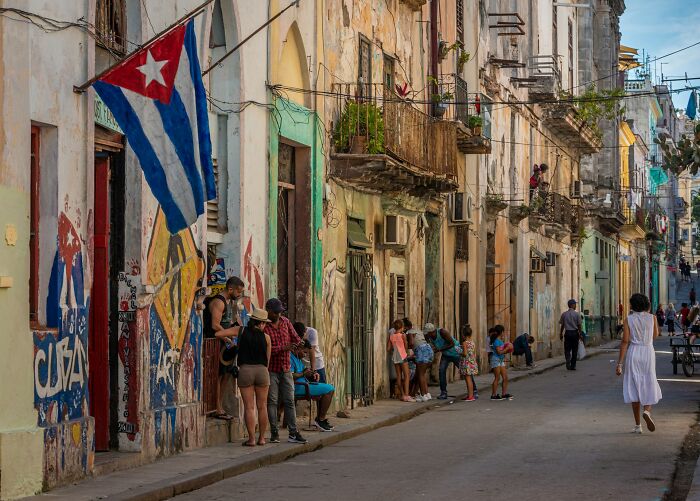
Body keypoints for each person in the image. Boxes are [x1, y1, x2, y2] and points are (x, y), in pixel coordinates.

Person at [616, 293, 662, 434]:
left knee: (634, 386)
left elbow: (625, 341)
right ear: (646, 304)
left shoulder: (628, 319)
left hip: (634, 352)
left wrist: (619, 364)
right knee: (649, 381)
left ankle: (638, 426)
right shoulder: (652, 318)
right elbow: (655, 336)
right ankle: (647, 411)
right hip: (648, 352)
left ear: (632, 305)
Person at [264, 298, 307, 444]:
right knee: (272, 401)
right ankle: (274, 432)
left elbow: (295, 337)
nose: (278, 315)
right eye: (276, 312)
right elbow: (265, 349)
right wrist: (283, 348)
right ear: (269, 311)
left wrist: (299, 343)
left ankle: (293, 432)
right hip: (271, 369)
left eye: (279, 312)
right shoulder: (264, 326)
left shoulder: (285, 322)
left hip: (286, 368)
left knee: (289, 400)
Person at [203, 276, 245, 420]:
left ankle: (219, 406)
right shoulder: (218, 302)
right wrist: (228, 338)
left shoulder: (227, 302)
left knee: (225, 376)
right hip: (216, 345)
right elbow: (215, 326)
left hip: (224, 346)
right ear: (230, 288)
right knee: (218, 376)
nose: (239, 295)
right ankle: (217, 408)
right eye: (238, 292)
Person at [237, 307, 272, 446]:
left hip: (245, 371)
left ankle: (251, 439)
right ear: (262, 323)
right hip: (262, 371)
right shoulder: (267, 338)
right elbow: (267, 361)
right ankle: (262, 438)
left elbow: (219, 333)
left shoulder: (241, 331)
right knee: (262, 406)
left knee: (249, 407)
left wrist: (229, 340)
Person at [290, 341, 335, 432]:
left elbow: (304, 371)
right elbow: (290, 376)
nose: (305, 355)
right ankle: (320, 420)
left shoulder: (298, 358)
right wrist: (303, 374)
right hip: (298, 387)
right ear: (298, 348)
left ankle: (320, 419)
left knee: (329, 388)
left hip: (305, 384)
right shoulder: (290, 358)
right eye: (304, 352)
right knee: (329, 389)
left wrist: (312, 374)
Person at [425, 323, 462, 400]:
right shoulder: (429, 337)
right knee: (441, 371)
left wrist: (439, 349)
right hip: (445, 355)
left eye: (428, 333)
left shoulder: (442, 332)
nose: (428, 335)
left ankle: (473, 390)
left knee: (464, 370)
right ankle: (443, 393)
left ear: (432, 331)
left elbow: (451, 343)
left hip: (455, 353)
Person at [405, 318, 434, 401]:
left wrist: (405, 346)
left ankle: (423, 395)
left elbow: (411, 343)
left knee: (420, 374)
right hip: (428, 349)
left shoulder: (409, 332)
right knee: (421, 374)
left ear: (406, 327)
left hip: (421, 351)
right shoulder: (417, 329)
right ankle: (427, 394)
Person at [387, 319, 414, 402]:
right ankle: (406, 395)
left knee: (398, 376)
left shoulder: (391, 336)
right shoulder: (403, 335)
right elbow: (406, 345)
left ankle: (402, 395)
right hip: (402, 356)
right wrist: (406, 353)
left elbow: (388, 349)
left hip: (395, 357)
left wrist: (394, 350)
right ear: (402, 327)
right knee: (407, 375)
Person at [489, 328, 512, 400]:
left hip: (500, 360)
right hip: (496, 360)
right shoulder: (496, 341)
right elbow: (499, 352)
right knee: (497, 378)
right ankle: (493, 395)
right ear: (501, 332)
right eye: (503, 331)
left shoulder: (500, 341)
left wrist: (508, 350)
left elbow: (502, 351)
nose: (503, 333)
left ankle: (504, 394)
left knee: (505, 377)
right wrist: (507, 348)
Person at [560, 299, 583, 370]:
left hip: (567, 333)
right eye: (575, 304)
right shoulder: (577, 314)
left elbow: (562, 325)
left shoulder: (564, 314)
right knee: (574, 350)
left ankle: (568, 359)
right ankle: (573, 366)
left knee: (567, 349)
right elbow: (579, 325)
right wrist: (580, 334)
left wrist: (560, 333)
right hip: (575, 333)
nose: (575, 306)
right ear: (572, 305)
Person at [459, 325, 478, 402]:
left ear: (463, 334)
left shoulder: (464, 343)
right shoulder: (472, 342)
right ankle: (470, 395)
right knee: (469, 379)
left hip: (467, 362)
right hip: (472, 362)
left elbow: (465, 354)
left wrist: (459, 352)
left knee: (468, 380)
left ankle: (470, 396)